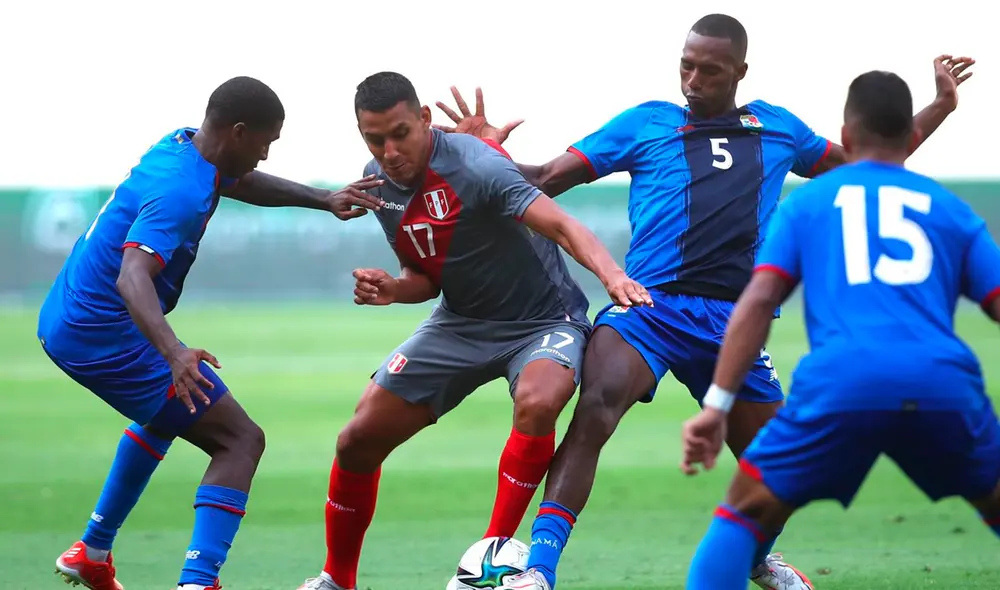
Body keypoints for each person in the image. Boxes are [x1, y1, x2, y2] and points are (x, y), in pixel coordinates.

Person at [432, 14, 975, 590]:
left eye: (709, 71)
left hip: (732, 322)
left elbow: (868, 161)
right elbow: (543, 177)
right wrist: (481, 151)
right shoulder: (646, 123)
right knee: (595, 409)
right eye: (686, 66)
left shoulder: (778, 128)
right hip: (648, 307)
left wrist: (939, 106)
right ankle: (538, 572)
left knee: (787, 460)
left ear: (740, 71)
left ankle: (755, 558)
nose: (693, 81)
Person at [295, 71, 650, 590]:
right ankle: (337, 579)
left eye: (400, 133)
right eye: (375, 138)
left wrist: (613, 276)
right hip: (460, 322)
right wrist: (393, 288)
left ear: (424, 119)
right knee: (356, 439)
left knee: (540, 398)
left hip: (543, 320)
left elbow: (562, 226)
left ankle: (488, 562)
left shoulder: (477, 164)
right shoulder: (380, 182)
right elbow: (427, 278)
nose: (389, 151)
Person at [39, 76, 385, 590]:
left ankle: (92, 549)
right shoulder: (180, 191)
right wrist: (175, 352)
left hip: (68, 315)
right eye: (266, 142)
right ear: (240, 132)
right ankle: (197, 582)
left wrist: (323, 199)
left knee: (170, 411)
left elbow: (240, 182)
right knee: (240, 440)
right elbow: (132, 275)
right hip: (103, 333)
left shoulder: (183, 147)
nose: (266, 155)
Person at [681, 69, 1000, 589]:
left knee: (744, 512)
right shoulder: (949, 210)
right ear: (908, 137)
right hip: (941, 384)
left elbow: (758, 301)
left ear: (846, 137)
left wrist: (717, 405)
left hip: (842, 383)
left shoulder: (809, 203)